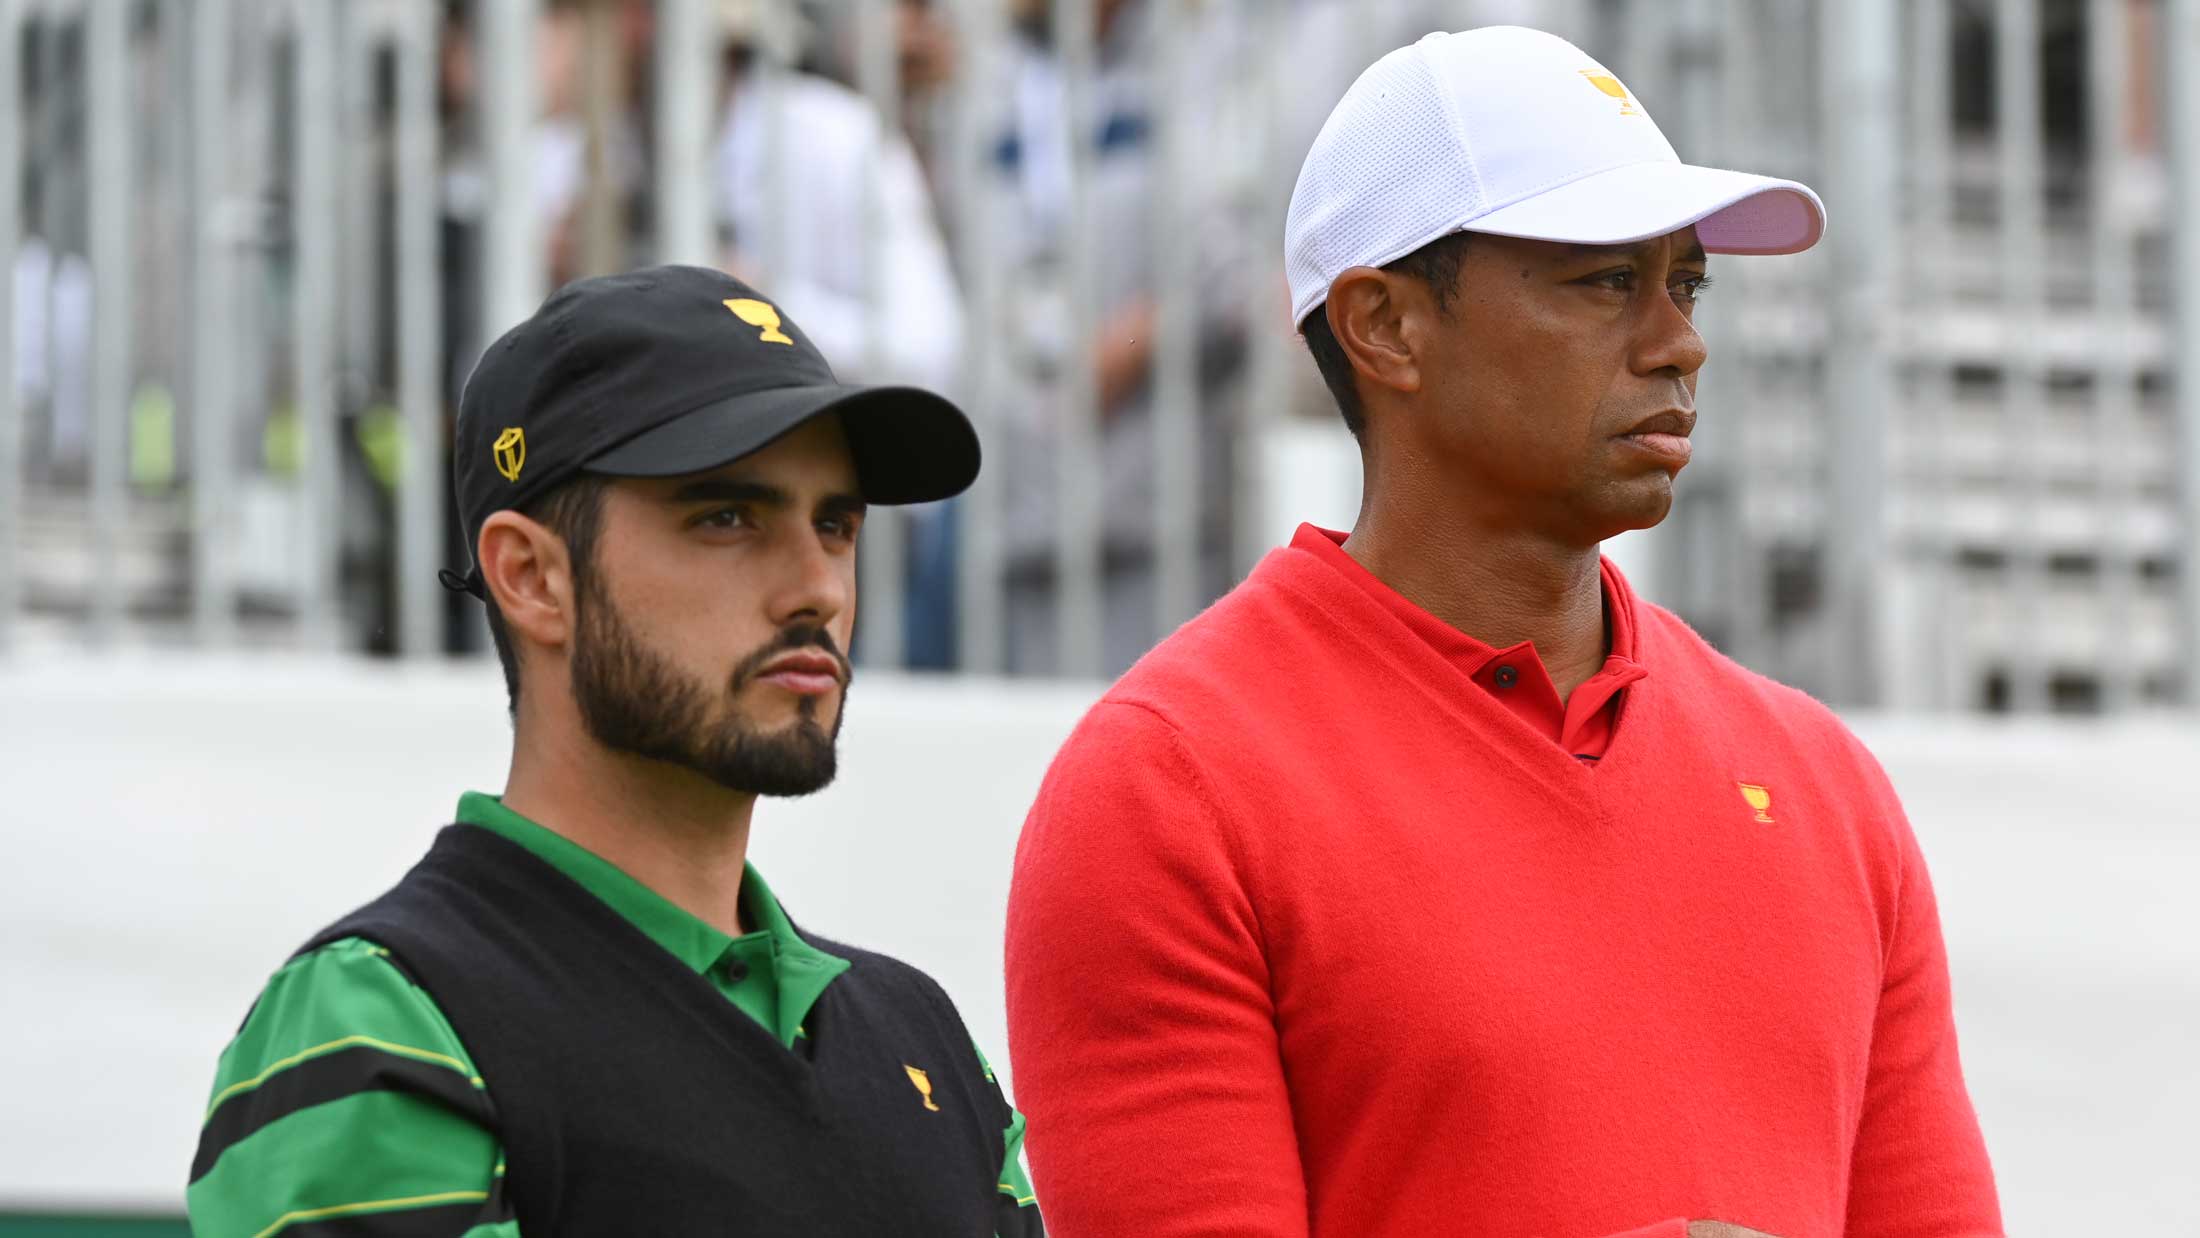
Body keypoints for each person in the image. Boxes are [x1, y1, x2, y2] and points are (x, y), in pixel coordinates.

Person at [1005, 27, 2000, 1238]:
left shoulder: (1827, 785)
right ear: (1385, 326)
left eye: (1685, 282)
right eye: (1603, 281)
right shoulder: (1167, 785)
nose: (1679, 340)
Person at [187, 266, 1043, 1236]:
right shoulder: (383, 1016)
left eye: (835, 524)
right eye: (726, 516)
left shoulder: (927, 1037)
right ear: (532, 577)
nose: (819, 587)